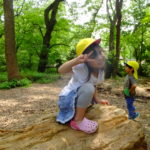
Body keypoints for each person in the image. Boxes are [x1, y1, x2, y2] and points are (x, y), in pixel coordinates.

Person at [56, 38, 109, 134]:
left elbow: (94, 85)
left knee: (90, 87)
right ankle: (78, 121)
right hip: (67, 99)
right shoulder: (81, 67)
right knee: (88, 87)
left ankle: (79, 114)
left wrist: (97, 100)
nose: (100, 57)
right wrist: (76, 61)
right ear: (85, 59)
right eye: (94, 56)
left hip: (77, 98)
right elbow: (61, 70)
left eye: (100, 53)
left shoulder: (101, 71)